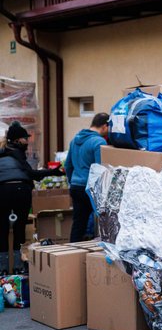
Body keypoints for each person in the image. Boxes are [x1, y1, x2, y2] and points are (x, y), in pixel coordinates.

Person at [0, 121, 64, 275]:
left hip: (2, 191)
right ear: (16, 140)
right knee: (19, 228)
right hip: (21, 191)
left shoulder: (4, 153)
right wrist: (53, 172)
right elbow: (32, 174)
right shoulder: (18, 156)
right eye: (25, 139)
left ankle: (2, 269)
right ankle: (18, 267)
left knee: (1, 229)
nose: (27, 141)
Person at [64, 113, 109, 242]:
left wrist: (72, 181)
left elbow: (68, 165)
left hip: (76, 186)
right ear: (105, 126)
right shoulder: (99, 141)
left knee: (78, 224)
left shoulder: (74, 140)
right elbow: (100, 169)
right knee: (102, 223)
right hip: (90, 188)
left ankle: (71, 254)